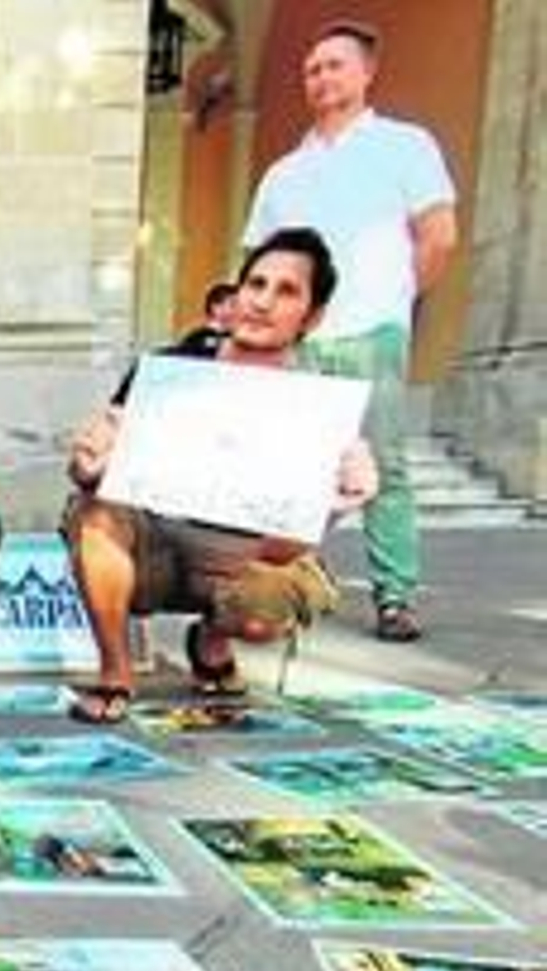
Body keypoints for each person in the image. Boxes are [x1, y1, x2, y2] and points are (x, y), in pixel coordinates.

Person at [63, 228, 379, 725]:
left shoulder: (316, 406)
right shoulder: (167, 371)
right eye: (256, 284)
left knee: (264, 607)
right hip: (157, 542)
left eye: (286, 291)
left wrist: (335, 504)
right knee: (94, 514)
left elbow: (286, 549)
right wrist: (88, 465)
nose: (262, 302)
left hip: (244, 557)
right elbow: (95, 464)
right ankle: (115, 672)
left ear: (311, 317)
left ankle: (212, 640)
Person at [244, 19, 458, 643]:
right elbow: (259, 261)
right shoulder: (284, 173)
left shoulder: (405, 146)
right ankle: (291, 588)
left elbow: (438, 236)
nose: (321, 78)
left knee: (384, 465)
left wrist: (395, 298)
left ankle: (395, 596)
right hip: (301, 342)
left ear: (367, 72)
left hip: (371, 332)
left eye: (335, 65)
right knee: (294, 469)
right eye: (311, 70)